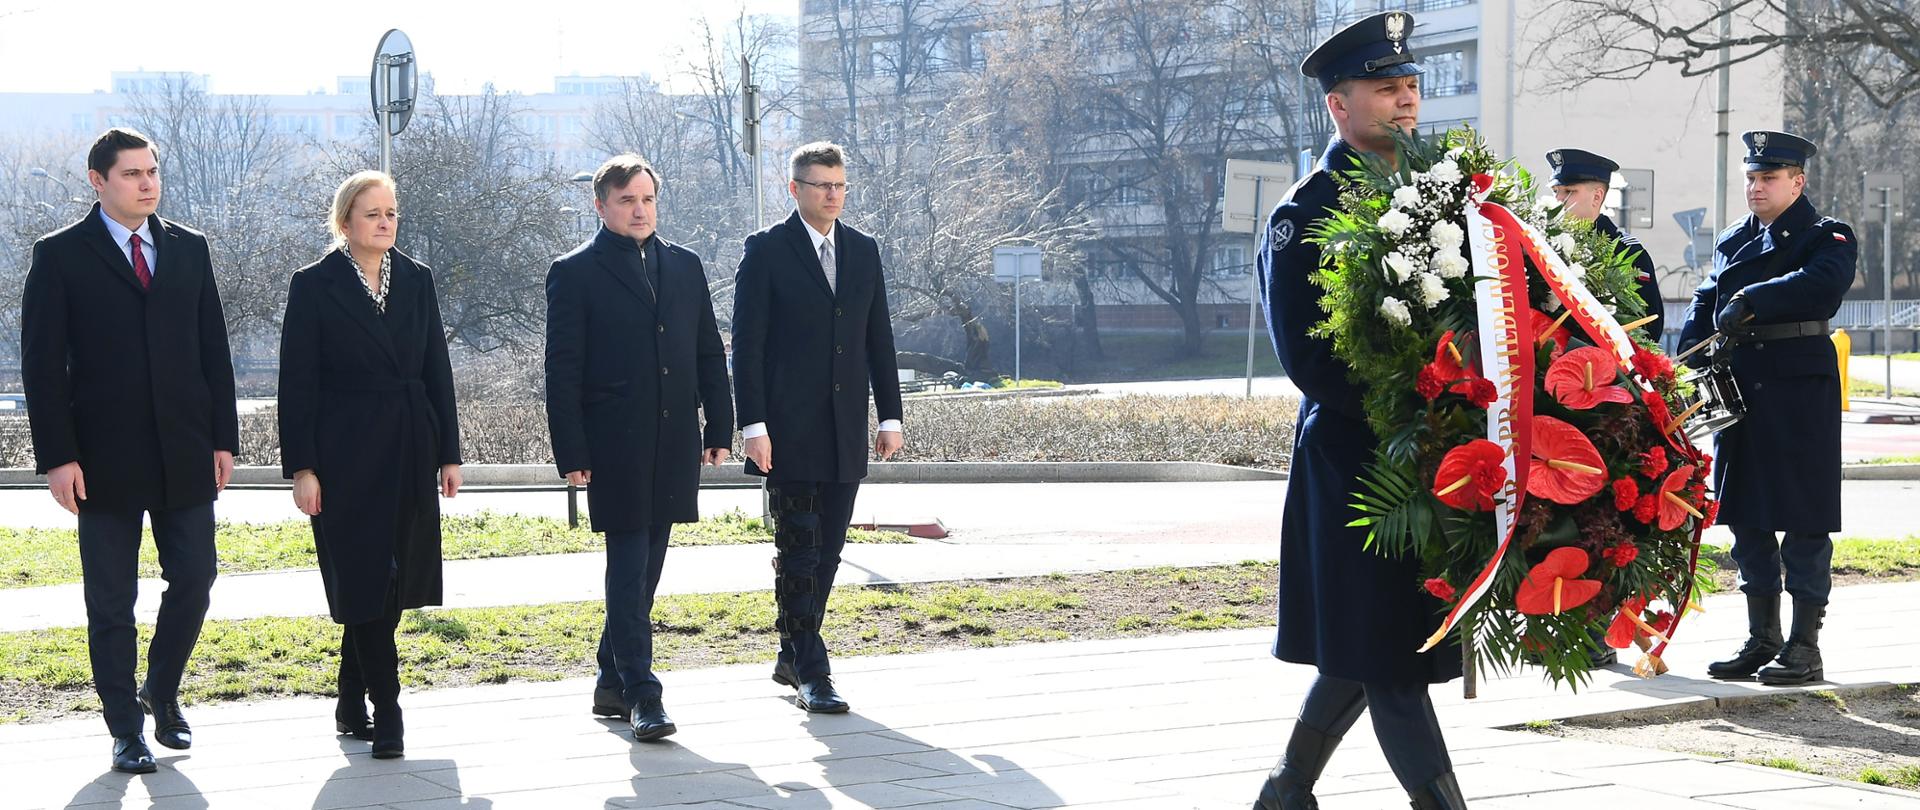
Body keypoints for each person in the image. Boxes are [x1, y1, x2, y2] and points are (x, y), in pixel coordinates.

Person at [1252, 12, 1465, 809]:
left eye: (1410, 87)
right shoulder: (1305, 214)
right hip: (1358, 466)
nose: (1406, 103)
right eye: (1386, 89)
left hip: (1434, 456)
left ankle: (1285, 791)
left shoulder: (1435, 193)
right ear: (1339, 106)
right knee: (1392, 662)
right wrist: (1423, 407)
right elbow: (1311, 360)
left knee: (1368, 645)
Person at [21, 127, 239, 774]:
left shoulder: (190, 249)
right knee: (111, 602)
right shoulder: (59, 256)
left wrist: (223, 438)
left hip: (184, 452)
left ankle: (161, 689)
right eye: (132, 175)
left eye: (153, 172)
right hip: (101, 461)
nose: (148, 184)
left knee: (196, 579)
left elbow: (214, 352)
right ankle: (125, 728)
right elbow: (41, 367)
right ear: (99, 181)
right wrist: (58, 457)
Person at [544, 154, 733, 742]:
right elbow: (563, 370)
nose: (639, 210)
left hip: (674, 439)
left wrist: (719, 427)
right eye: (627, 200)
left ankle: (609, 679)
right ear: (600, 205)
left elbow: (707, 350)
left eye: (647, 199)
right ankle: (643, 692)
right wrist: (571, 450)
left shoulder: (685, 265)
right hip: (613, 445)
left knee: (647, 568)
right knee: (628, 567)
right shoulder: (575, 271)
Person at [277, 170, 464, 759]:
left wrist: (448, 453)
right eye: (372, 214)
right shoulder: (314, 285)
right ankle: (388, 710)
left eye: (391, 213)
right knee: (363, 574)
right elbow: (296, 384)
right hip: (343, 451)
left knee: (392, 576)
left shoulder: (416, 278)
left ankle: (350, 694)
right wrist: (303, 468)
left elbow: (437, 367)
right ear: (345, 222)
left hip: (409, 443)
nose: (385, 223)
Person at [731, 141, 904, 714]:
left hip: (845, 429)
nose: (832, 194)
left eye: (840, 185)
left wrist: (890, 415)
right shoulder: (766, 250)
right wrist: (752, 425)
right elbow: (747, 347)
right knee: (799, 548)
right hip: (786, 432)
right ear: (795, 188)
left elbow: (878, 338)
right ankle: (812, 668)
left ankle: (791, 649)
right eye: (821, 184)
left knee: (828, 550)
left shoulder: (863, 250)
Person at [1680, 131, 1855, 687]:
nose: (1756, 187)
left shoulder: (1828, 235)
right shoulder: (1735, 238)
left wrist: (1753, 299)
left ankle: (1805, 646)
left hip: (1798, 385)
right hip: (1740, 386)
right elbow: (1708, 297)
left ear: (1797, 181)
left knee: (1805, 518)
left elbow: (1822, 284)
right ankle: (1763, 638)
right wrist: (1681, 361)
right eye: (1752, 178)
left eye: (1768, 178)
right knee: (1746, 516)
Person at [1546, 148, 1665, 340]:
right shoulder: (1544, 246)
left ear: (1597, 197)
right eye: (1555, 191)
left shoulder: (1626, 252)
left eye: (1569, 191)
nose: (1559, 199)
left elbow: (1648, 326)